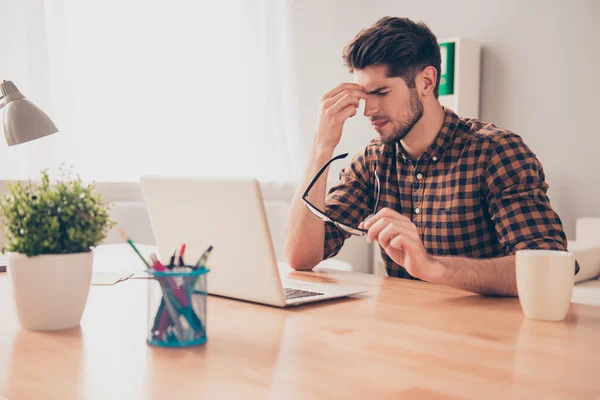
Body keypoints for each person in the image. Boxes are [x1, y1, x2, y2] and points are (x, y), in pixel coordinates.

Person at [284, 16, 569, 296]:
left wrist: (432, 267)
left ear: (426, 82)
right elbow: (301, 258)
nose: (368, 111)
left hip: (487, 334)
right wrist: (321, 146)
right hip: (403, 331)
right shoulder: (373, 161)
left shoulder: (495, 152)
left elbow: (547, 268)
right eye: (364, 96)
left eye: (381, 92)